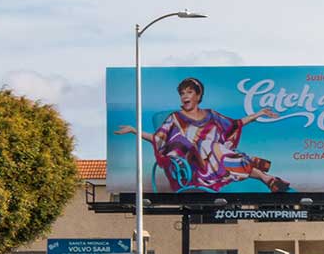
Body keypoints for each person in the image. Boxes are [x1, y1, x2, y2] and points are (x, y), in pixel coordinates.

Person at [115, 77, 290, 192]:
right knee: (212, 147)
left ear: (198, 96)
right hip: (194, 167)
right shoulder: (175, 118)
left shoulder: (211, 115)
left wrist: (257, 115)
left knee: (216, 148)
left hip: (217, 160)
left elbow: (234, 125)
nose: (185, 96)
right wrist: (134, 130)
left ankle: (267, 178)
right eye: (182, 93)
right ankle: (253, 164)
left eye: (189, 92)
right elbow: (159, 139)